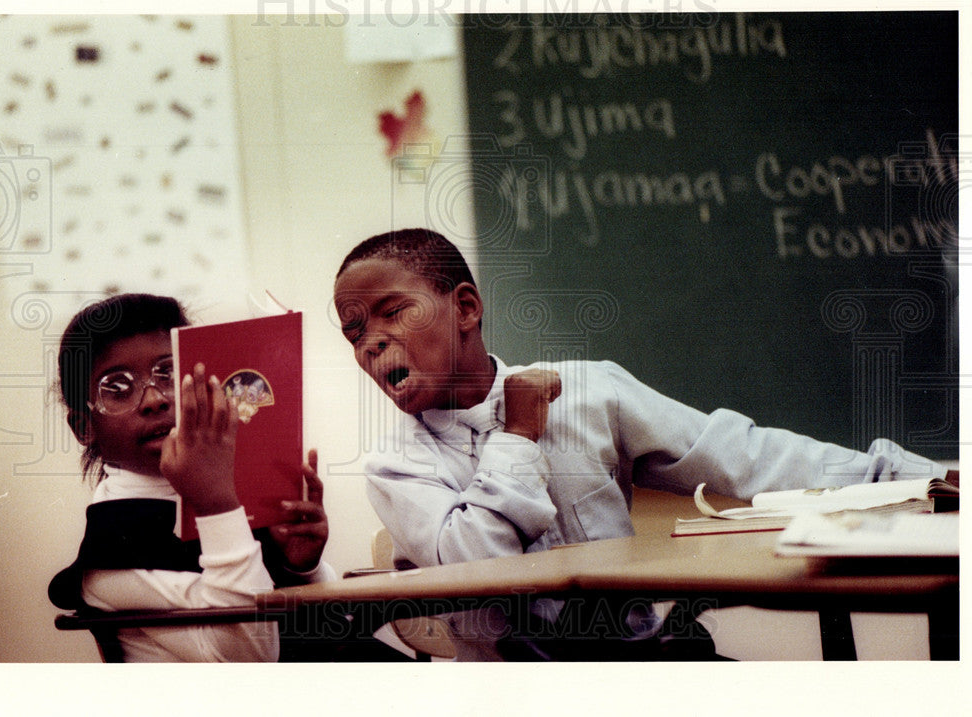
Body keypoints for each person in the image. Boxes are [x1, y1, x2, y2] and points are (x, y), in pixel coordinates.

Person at [333, 228, 958, 661]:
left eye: (393, 312)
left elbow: (741, 455)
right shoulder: (395, 466)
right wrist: (518, 436)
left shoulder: (585, 392)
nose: (372, 342)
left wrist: (909, 477)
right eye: (355, 331)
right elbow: (484, 563)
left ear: (465, 307)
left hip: (642, 666)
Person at [48, 293, 334, 662]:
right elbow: (247, 662)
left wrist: (302, 568)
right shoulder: (108, 559)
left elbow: (331, 627)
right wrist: (216, 504)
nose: (153, 399)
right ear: (84, 427)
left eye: (168, 373)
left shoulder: (240, 488)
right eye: (117, 388)